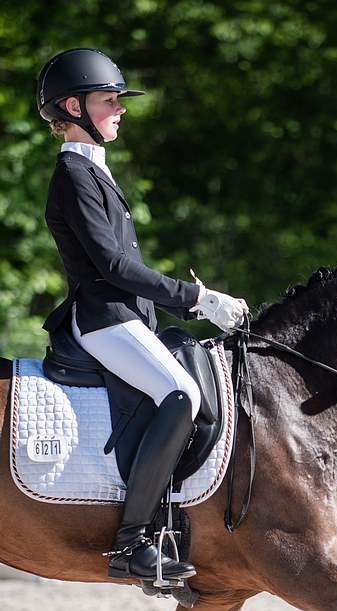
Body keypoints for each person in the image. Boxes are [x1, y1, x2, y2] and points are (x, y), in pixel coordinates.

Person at [36, 48, 249, 583]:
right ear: (74, 106)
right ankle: (131, 543)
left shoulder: (95, 171)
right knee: (181, 396)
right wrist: (197, 300)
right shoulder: (73, 174)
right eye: (110, 100)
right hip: (104, 318)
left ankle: (170, 521)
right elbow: (112, 266)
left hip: (128, 316)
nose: (120, 109)